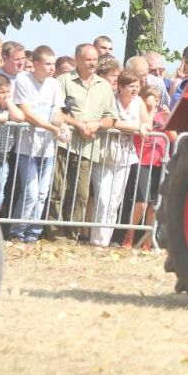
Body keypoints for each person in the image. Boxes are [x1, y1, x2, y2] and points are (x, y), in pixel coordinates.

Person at [44, 43, 117, 242]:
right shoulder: (63, 81)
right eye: (88, 59)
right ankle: (55, 234)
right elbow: (56, 113)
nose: (93, 63)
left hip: (89, 147)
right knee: (58, 189)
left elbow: (112, 117)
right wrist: (78, 124)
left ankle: (73, 235)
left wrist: (96, 124)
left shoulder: (104, 86)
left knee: (82, 194)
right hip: (64, 144)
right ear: (77, 60)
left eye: (94, 59)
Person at [10, 45, 67, 243]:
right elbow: (26, 113)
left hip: (48, 149)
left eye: (53, 63)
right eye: (48, 64)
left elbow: (57, 113)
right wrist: (52, 128)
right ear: (36, 64)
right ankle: (17, 232)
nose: (52, 67)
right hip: (27, 147)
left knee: (42, 194)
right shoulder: (23, 80)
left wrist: (62, 127)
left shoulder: (55, 85)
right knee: (30, 193)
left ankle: (32, 235)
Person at [89, 70, 149, 247]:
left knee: (114, 200)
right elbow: (112, 122)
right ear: (121, 87)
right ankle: (96, 239)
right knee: (102, 199)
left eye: (137, 86)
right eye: (131, 86)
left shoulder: (138, 102)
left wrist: (139, 126)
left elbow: (147, 123)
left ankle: (104, 241)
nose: (135, 90)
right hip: (104, 155)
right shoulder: (111, 100)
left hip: (125, 156)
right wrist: (136, 127)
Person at [122, 85, 177, 250]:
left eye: (158, 98)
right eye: (151, 97)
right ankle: (129, 237)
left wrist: (169, 121)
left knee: (154, 205)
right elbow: (147, 126)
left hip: (160, 163)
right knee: (142, 203)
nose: (155, 101)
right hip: (142, 161)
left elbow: (174, 138)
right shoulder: (139, 114)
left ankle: (147, 242)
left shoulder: (163, 115)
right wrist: (151, 109)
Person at [0, 74, 25, 213]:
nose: (6, 95)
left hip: (1, 157)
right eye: (2, 92)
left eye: (8, 91)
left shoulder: (9, 107)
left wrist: (8, 102)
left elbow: (20, 117)